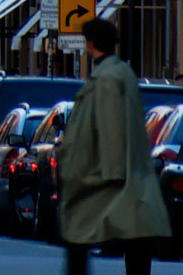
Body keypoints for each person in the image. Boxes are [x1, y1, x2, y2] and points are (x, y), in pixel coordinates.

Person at [59, 16, 170, 275]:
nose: (85, 47)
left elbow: (110, 130)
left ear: (92, 44)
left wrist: (110, 174)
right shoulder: (119, 74)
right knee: (134, 237)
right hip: (116, 178)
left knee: (79, 233)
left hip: (104, 179)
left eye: (87, 42)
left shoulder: (107, 79)